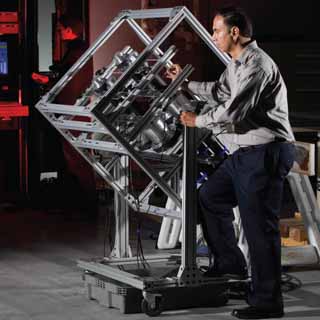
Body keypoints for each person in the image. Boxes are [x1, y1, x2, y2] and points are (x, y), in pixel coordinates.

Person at [166, 6, 295, 319]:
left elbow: (233, 111)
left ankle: (267, 302)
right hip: (244, 154)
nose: (214, 37)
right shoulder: (236, 64)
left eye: (217, 30)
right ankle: (231, 267)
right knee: (209, 197)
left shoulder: (259, 66)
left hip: (265, 153)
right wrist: (184, 84)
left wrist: (198, 121)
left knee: (258, 230)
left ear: (234, 33)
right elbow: (219, 91)